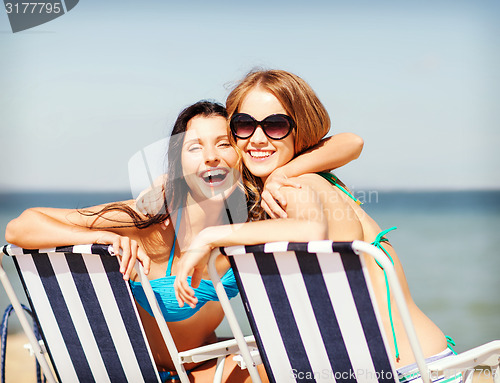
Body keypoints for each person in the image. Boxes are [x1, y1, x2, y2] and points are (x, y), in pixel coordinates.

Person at [6, 100, 363, 382]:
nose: (211, 156)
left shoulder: (250, 221)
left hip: (210, 366)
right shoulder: (146, 220)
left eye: (224, 143)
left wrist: (282, 172)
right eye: (195, 147)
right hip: (140, 373)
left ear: (240, 156)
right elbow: (21, 227)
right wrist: (100, 237)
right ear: (178, 162)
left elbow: (350, 142)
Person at [174, 70, 461, 383]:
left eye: (275, 125)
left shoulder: (293, 187)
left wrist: (211, 236)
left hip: (404, 374)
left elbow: (311, 230)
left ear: (301, 130)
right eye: (244, 125)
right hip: (428, 365)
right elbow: (350, 143)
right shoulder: (310, 180)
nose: (258, 138)